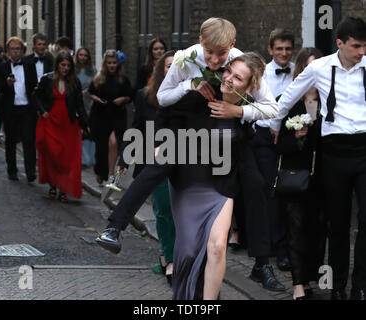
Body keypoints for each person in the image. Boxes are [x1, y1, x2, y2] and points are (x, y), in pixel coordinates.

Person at [97, 18, 285, 293]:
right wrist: (190, 87)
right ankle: (114, 228)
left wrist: (239, 111)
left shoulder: (240, 64)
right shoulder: (188, 60)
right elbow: (162, 99)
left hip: (230, 140)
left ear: (231, 46)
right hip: (188, 133)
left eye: (221, 54)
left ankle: (261, 263)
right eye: (209, 52)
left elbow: (272, 108)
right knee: (156, 168)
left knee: (256, 184)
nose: (214, 59)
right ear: (200, 41)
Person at [269, 17, 366, 300]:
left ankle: (360, 285)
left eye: (365, 46)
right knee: (337, 222)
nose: (362, 52)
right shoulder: (319, 68)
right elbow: (290, 94)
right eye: (356, 46)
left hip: (364, 147)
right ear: (340, 44)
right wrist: (275, 124)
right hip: (334, 151)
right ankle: (337, 286)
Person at [117, 51, 176, 285]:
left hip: (185, 161)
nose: (172, 70)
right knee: (163, 210)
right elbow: (137, 129)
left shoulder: (192, 95)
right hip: (153, 163)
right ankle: (170, 259)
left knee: (180, 212)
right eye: (168, 66)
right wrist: (124, 158)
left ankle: (172, 256)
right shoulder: (145, 96)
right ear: (161, 69)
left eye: (177, 66)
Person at [275, 47, 326, 300]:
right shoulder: (289, 101)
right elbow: (277, 144)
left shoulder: (331, 100)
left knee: (318, 228)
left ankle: (312, 277)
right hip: (295, 173)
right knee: (295, 227)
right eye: (309, 67)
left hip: (324, 175)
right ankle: (298, 284)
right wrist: (295, 137)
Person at [252, 28, 295, 272]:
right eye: (279, 49)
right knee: (272, 192)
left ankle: (290, 245)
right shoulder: (261, 74)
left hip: (290, 139)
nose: (284, 53)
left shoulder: (298, 73)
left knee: (291, 191)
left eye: (288, 48)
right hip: (265, 139)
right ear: (270, 50)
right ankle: (278, 249)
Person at [33, 51, 89, 203]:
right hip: (51, 121)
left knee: (66, 158)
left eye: (68, 66)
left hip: (68, 124)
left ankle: (63, 188)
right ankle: (53, 185)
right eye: (63, 65)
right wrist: (43, 111)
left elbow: (79, 104)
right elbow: (36, 95)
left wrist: (85, 123)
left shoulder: (74, 82)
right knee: (52, 155)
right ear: (57, 64)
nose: (65, 68)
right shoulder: (47, 79)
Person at [0, 37, 38, 182]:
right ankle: (12, 170)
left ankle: (30, 171)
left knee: (28, 140)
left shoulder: (29, 65)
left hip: (26, 108)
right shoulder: (2, 67)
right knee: (11, 141)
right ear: (8, 51)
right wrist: (7, 84)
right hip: (10, 109)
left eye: (18, 49)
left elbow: (34, 87)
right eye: (12, 49)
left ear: (22, 51)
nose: (15, 52)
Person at [88, 50, 133, 185]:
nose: (112, 65)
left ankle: (111, 173)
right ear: (105, 64)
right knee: (101, 147)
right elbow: (90, 93)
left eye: (114, 63)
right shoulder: (99, 78)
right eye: (109, 63)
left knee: (114, 143)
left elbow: (130, 95)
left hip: (117, 114)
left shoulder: (123, 79)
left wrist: (123, 99)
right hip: (101, 115)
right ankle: (100, 171)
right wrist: (97, 99)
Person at [75, 47, 97, 167]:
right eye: (81, 55)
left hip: (89, 102)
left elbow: (96, 85)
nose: (83, 57)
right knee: (78, 129)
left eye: (85, 55)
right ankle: (80, 158)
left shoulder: (93, 70)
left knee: (89, 129)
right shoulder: (72, 70)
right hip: (76, 102)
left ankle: (89, 158)